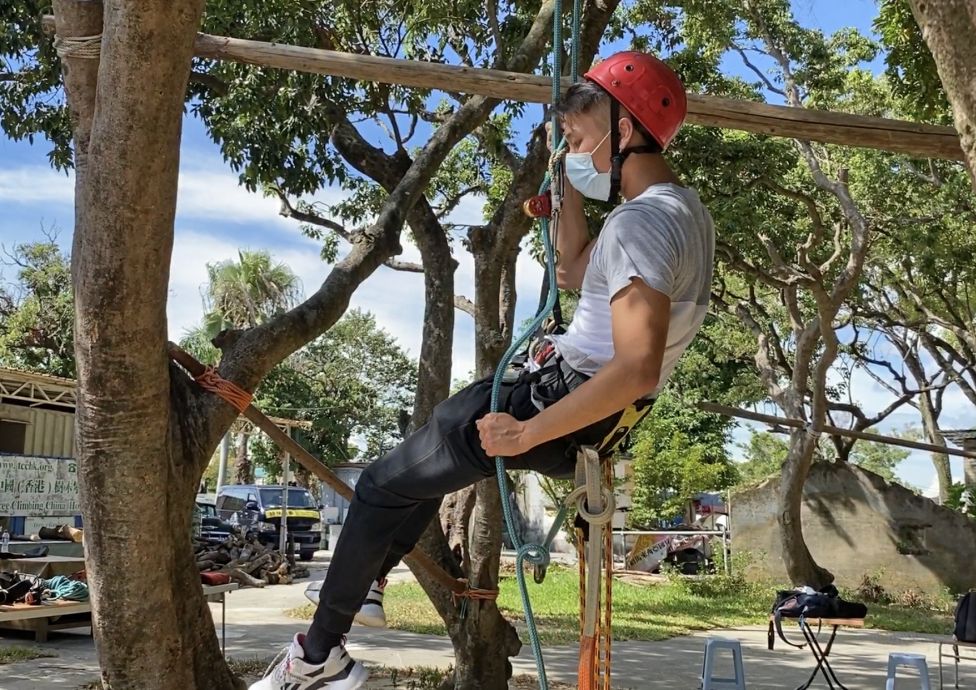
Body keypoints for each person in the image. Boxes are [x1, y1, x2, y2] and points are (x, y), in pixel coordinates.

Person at [251, 50, 715, 690]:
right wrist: (564, 190)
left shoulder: (642, 223)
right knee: (424, 465)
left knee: (383, 485)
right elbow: (576, 271)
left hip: (559, 401)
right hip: (593, 420)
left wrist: (526, 433)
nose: (574, 154)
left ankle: (318, 653)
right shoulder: (682, 215)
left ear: (625, 131)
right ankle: (369, 588)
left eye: (580, 140)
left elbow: (636, 365)